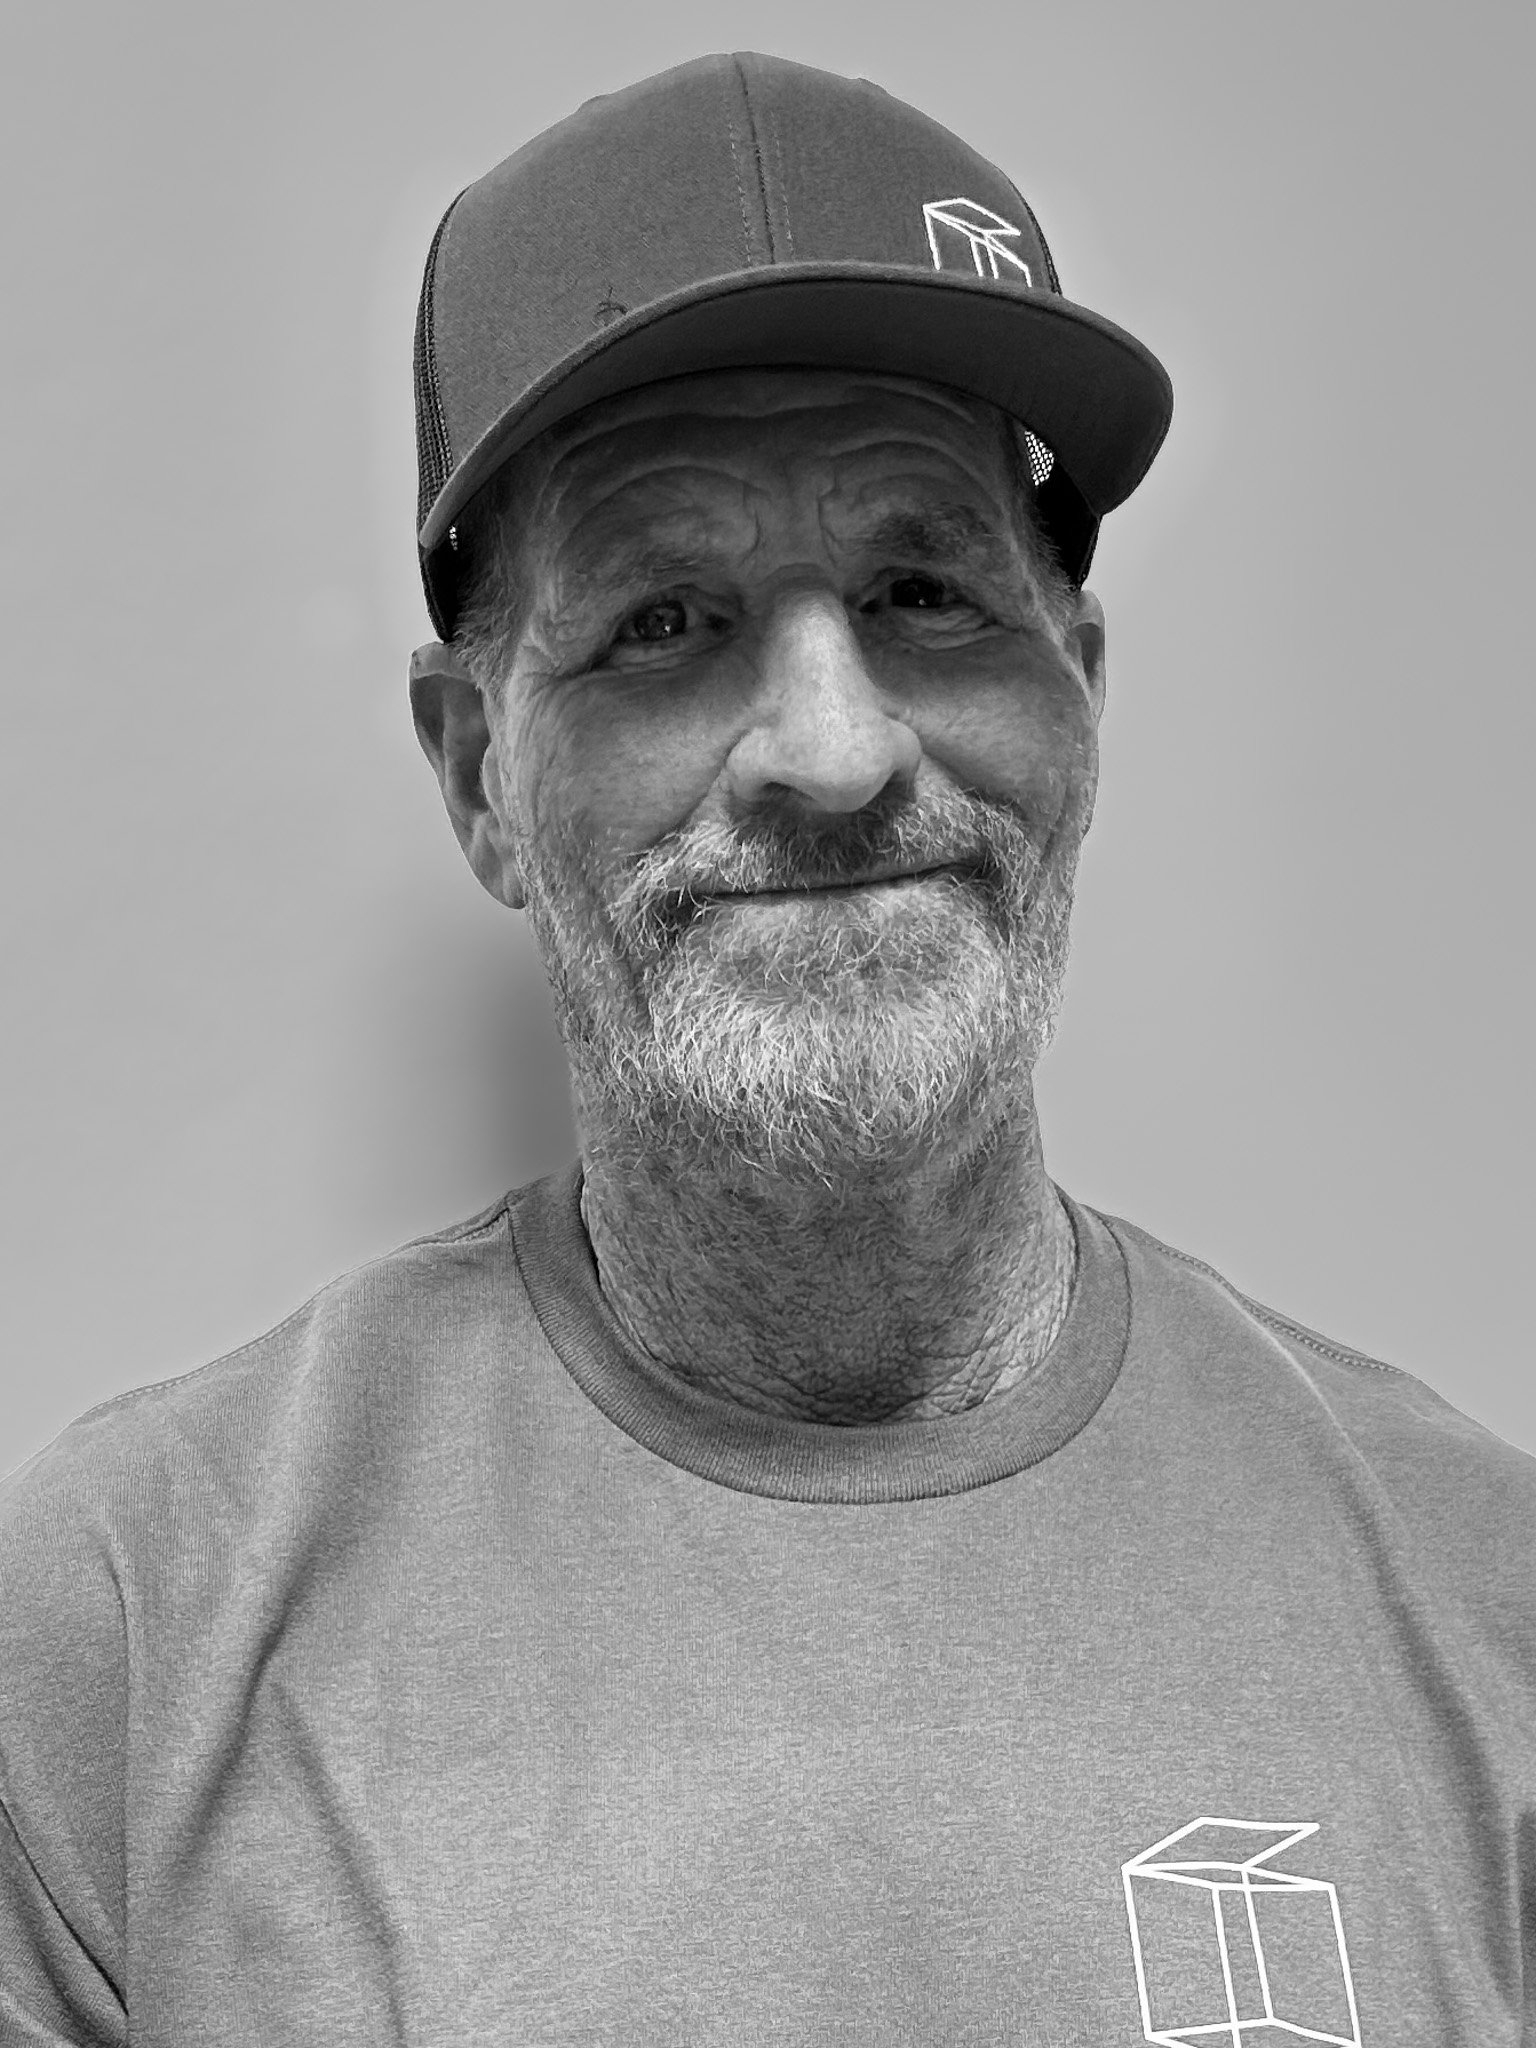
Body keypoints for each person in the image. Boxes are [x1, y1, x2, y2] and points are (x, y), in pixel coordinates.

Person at [1, 51, 1531, 2046]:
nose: (832, 748)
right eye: (663, 619)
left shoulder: (1488, 1605)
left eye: (924, 591)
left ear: (1079, 692)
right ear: (477, 775)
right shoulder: (122, 1649)